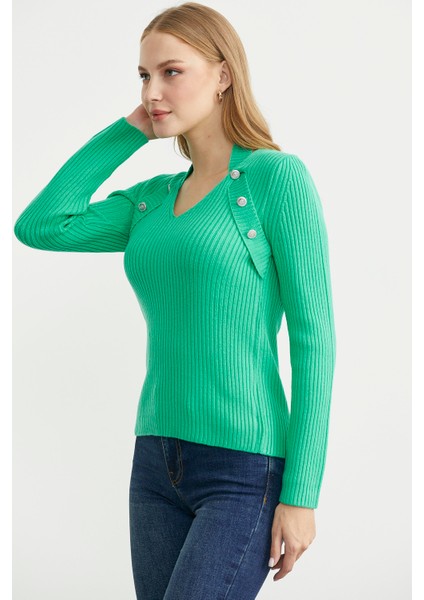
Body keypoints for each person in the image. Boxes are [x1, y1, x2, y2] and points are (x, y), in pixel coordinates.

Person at [13, 2, 336, 598]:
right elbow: (41, 226)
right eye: (144, 75)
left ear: (223, 75)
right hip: (155, 462)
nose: (152, 91)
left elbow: (315, 340)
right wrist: (131, 129)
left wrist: (302, 493)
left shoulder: (274, 179)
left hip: (244, 468)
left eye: (171, 72)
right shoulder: (151, 201)